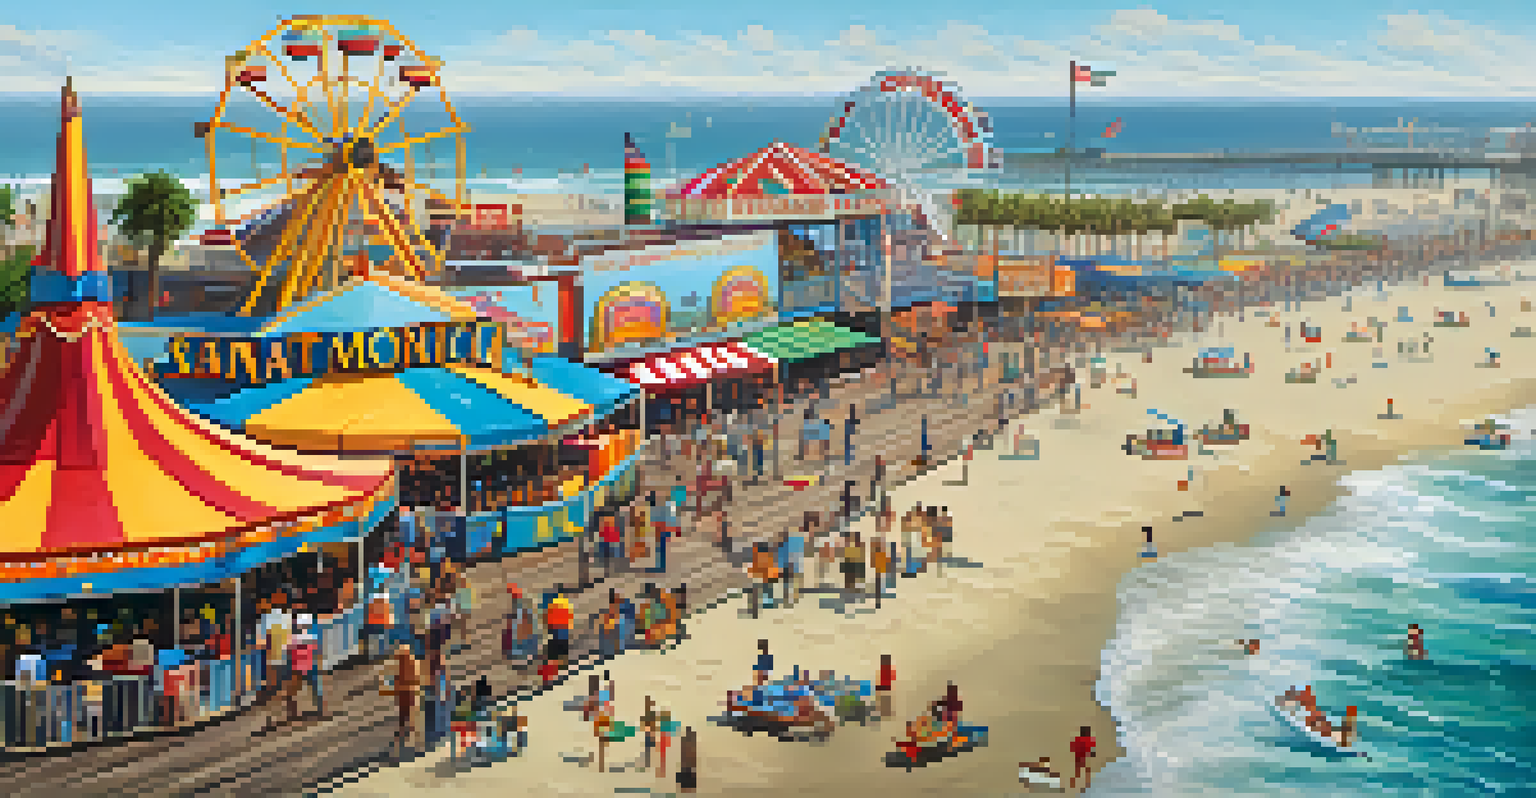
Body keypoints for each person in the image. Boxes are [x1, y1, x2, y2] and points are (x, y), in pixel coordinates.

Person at [388, 644, 421, 759]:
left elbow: (415, 680)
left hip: (409, 693)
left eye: (400, 656)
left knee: (409, 715)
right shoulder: (403, 665)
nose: (398, 658)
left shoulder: (411, 663)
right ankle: (403, 734)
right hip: (404, 693)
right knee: (403, 715)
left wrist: (401, 686)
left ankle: (409, 737)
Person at [1069, 725, 1097, 791]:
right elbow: (1092, 749)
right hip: (1086, 756)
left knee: (1077, 771)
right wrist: (1092, 754)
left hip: (1078, 756)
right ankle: (1087, 784)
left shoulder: (1077, 739)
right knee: (1087, 770)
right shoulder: (1090, 739)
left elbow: (1072, 747)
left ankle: (1072, 784)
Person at [676, 725, 698, 793]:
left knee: (687, 772)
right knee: (689, 772)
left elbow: (684, 750)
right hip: (688, 761)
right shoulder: (690, 740)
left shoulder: (685, 740)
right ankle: (688, 786)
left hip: (687, 761)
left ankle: (686, 786)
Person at [875, 654, 895, 719]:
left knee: (885, 700)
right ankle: (885, 714)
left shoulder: (887, 670)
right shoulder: (886, 670)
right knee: (885, 700)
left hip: (886, 689)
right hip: (885, 689)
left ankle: (885, 714)